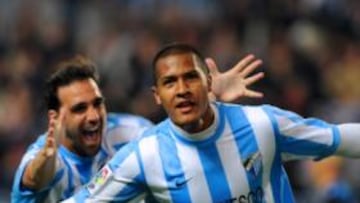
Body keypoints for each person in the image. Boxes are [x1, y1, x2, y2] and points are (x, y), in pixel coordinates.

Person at [63, 43, 360, 203]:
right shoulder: (145, 156)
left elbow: (340, 138)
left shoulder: (261, 125)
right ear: (157, 96)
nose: (181, 89)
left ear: (209, 82)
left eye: (190, 77)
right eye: (169, 82)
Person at [11, 53, 264, 203]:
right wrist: (44, 163)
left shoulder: (131, 131)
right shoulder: (45, 156)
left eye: (97, 104)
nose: (93, 116)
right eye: (79, 109)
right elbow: (35, 177)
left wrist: (207, 101)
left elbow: (178, 147)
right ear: (57, 117)